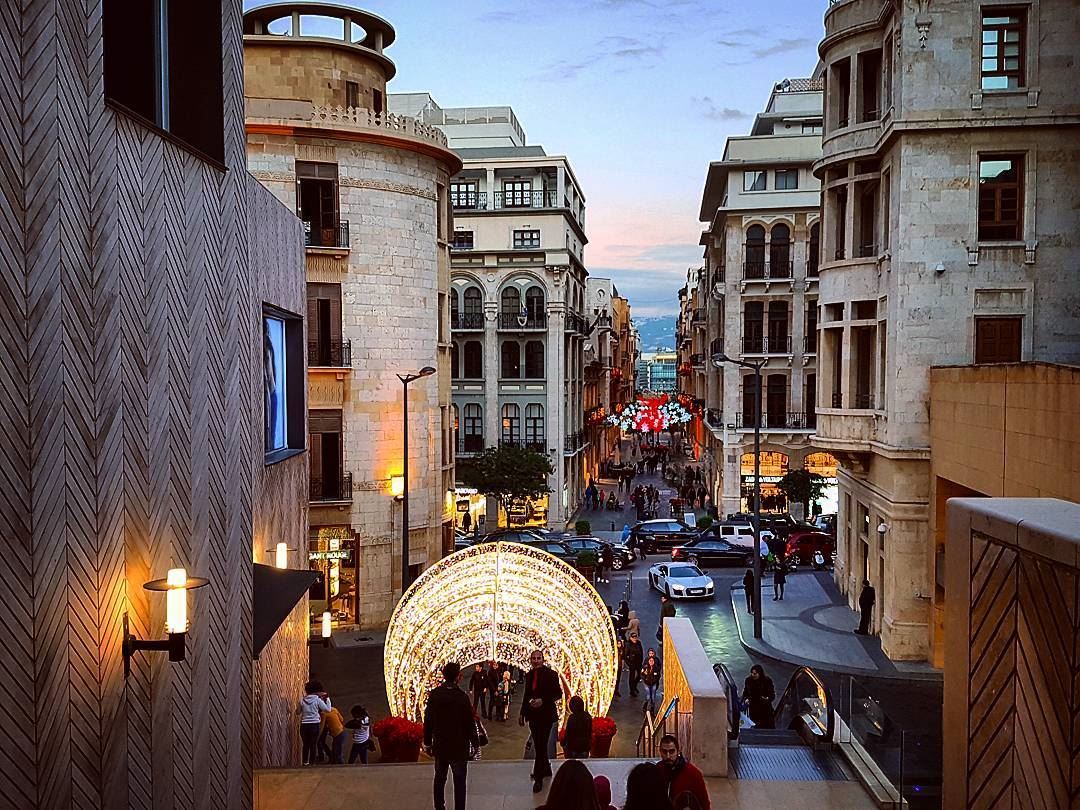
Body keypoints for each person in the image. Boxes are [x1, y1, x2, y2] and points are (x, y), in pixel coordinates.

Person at [424, 662, 480, 810]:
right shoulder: (461, 697)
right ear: (458, 677)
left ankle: (439, 807)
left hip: (441, 745)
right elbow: (469, 723)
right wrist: (475, 743)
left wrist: (427, 742)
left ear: (443, 675)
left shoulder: (435, 695)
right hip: (458, 747)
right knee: (460, 781)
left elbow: (428, 720)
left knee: (440, 778)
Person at [519, 648, 563, 793]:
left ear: (543, 660)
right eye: (534, 658)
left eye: (538, 658)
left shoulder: (551, 675)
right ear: (530, 660)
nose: (536, 661)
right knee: (540, 744)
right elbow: (527, 694)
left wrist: (543, 701)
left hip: (546, 716)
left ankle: (538, 778)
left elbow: (558, 694)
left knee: (540, 744)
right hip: (533, 715)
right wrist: (522, 713)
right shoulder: (529, 675)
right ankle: (546, 769)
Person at [658, 734, 711, 810]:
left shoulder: (693, 773)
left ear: (678, 751)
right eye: (664, 752)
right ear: (660, 751)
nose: (668, 756)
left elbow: (704, 803)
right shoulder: (657, 770)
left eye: (671, 751)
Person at [297, 680, 331, 766]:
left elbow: (297, 712)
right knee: (313, 744)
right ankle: (312, 764)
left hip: (304, 726)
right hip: (314, 725)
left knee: (305, 745)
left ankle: (305, 762)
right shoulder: (318, 700)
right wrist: (327, 699)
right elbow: (328, 710)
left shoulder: (302, 700)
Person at [742, 664, 776, 728]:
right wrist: (746, 699)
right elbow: (745, 692)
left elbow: (772, 694)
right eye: (752, 673)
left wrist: (767, 698)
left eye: (755, 673)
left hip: (765, 709)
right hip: (753, 708)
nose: (753, 675)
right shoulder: (748, 680)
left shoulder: (767, 681)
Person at [562, 695, 593, 759]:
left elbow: (568, 732)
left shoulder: (572, 718)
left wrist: (564, 742)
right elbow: (590, 731)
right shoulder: (588, 716)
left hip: (573, 747)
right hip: (585, 746)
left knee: (573, 763)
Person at [624, 631, 644, 697]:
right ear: (630, 638)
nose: (635, 638)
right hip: (632, 663)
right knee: (631, 677)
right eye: (633, 637)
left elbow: (641, 651)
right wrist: (629, 663)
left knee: (640, 675)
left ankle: (634, 685)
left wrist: (641, 660)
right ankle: (632, 690)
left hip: (638, 662)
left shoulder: (638, 643)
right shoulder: (628, 644)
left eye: (636, 637)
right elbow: (625, 655)